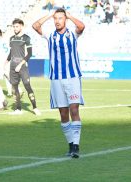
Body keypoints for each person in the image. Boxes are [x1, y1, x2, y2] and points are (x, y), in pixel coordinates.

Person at [32, 8, 85, 158]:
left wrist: (70, 15)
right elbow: (35, 26)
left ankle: (76, 145)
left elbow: (81, 27)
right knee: (63, 114)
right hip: (56, 78)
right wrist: (50, 15)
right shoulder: (50, 35)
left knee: (74, 110)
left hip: (72, 77)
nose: (57, 21)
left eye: (60, 18)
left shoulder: (72, 34)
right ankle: (70, 145)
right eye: (56, 18)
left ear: (65, 19)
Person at [6, 18, 41, 116]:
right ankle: (18, 109)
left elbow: (29, 54)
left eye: (17, 26)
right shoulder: (11, 38)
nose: (15, 28)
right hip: (12, 66)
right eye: (14, 26)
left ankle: (35, 107)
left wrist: (20, 64)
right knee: (15, 88)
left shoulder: (26, 38)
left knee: (27, 86)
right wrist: (6, 62)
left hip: (22, 66)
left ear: (21, 26)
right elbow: (11, 52)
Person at [0, 29, 24, 98]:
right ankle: (13, 91)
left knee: (1, 78)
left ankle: (18, 90)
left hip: (3, 62)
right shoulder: (6, 40)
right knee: (8, 77)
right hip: (7, 61)